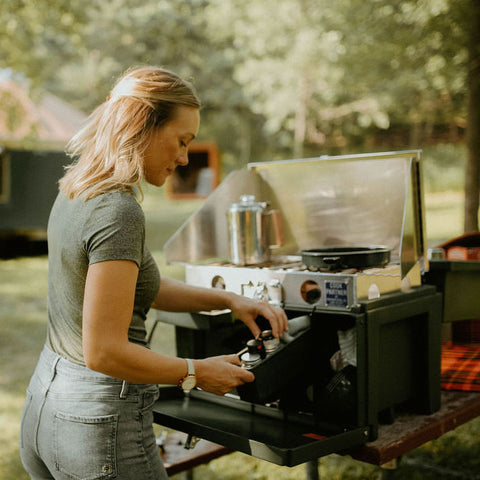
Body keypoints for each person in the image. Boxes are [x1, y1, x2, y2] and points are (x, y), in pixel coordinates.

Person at [19, 66, 289, 480]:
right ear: (140, 126)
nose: (184, 158)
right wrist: (197, 372)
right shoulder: (119, 211)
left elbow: (145, 289)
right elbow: (104, 352)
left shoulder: (76, 190)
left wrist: (230, 300)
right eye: (181, 141)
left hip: (45, 407)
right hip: (98, 427)